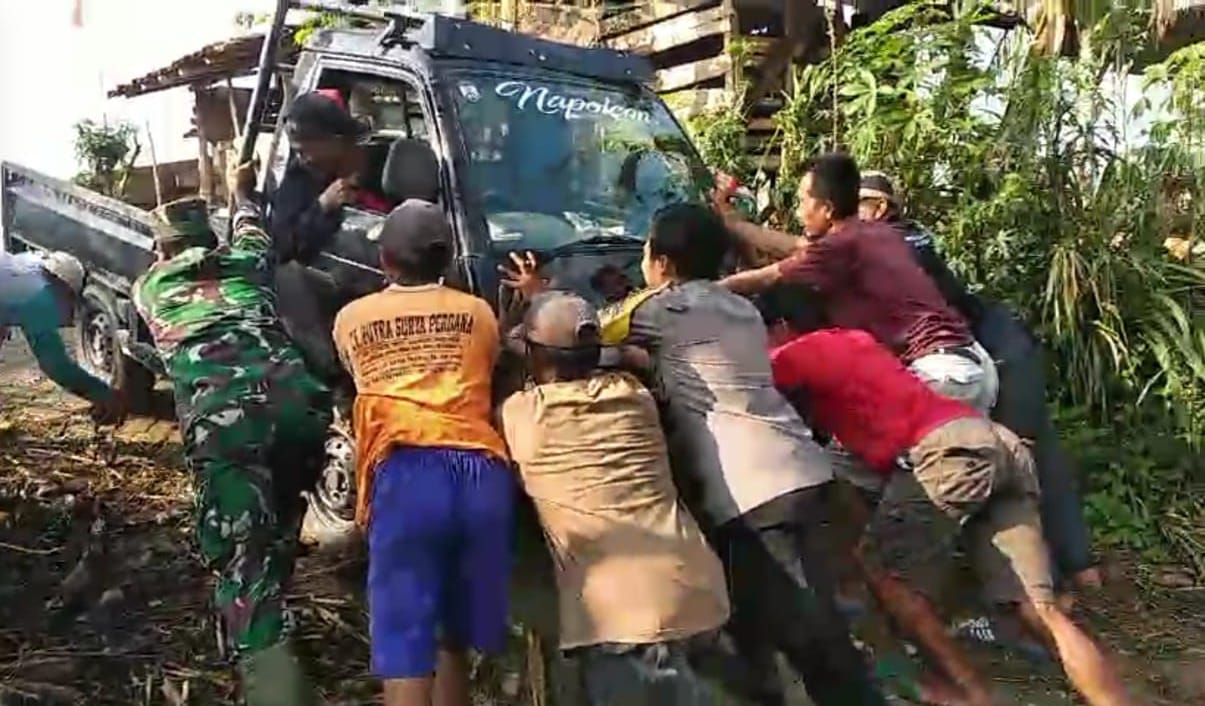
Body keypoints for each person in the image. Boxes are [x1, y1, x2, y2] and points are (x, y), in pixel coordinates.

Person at [506, 203, 886, 706]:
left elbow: (584, 338)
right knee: (765, 631)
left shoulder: (658, 310)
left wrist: (539, 298)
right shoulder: (740, 308)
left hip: (751, 491)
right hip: (803, 468)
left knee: (811, 643)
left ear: (660, 264)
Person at [771, 328, 1132, 706]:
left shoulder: (795, 352)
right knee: (1040, 609)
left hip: (949, 452)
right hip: (996, 441)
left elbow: (741, 378)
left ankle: (973, 694)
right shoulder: (857, 340)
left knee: (885, 574)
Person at [131, 165, 332, 706]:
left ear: (162, 251)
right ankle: (273, 618)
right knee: (281, 524)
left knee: (244, 563)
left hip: (226, 426)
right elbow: (252, 227)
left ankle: (273, 685)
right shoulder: (246, 261)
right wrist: (241, 190)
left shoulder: (149, 287)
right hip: (300, 407)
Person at [856, 171, 1100, 592]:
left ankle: (1045, 594)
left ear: (878, 209)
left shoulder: (891, 244)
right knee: (1030, 458)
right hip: (998, 346)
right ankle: (1076, 572)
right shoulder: (903, 242)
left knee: (1007, 466)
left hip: (994, 355)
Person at [498, 287, 730, 706]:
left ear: (534, 356)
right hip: (697, 591)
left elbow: (515, 359)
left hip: (622, 618)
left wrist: (508, 332)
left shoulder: (522, 416)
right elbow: (625, 358)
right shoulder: (633, 397)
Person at [331, 199, 515, 706]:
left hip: (408, 471)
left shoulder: (352, 318)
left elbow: (356, 377)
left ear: (385, 259)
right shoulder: (477, 313)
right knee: (451, 633)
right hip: (482, 472)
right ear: (448, 258)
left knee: (406, 639)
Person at [717, 152, 998, 413]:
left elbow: (766, 277)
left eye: (803, 201)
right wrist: (734, 224)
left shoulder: (837, 248)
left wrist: (701, 290)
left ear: (827, 208)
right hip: (973, 368)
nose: (799, 211)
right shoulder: (877, 233)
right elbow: (795, 247)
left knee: (852, 458)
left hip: (938, 376)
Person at [0, 249, 122, 422]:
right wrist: (102, 393)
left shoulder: (28, 265)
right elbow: (55, 364)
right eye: (69, 299)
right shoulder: (40, 296)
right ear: (63, 288)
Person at [268, 89, 387, 262]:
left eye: (305, 151)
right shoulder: (300, 179)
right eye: (297, 152)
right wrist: (322, 206)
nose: (302, 160)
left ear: (335, 141)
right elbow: (282, 247)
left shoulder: (387, 170)